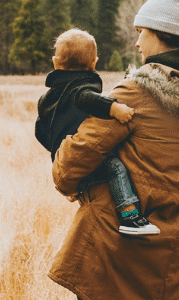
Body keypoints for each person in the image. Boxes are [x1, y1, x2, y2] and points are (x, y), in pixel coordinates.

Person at [49, 0, 179, 300]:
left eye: (141, 31)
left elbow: (72, 163)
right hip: (173, 255)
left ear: (159, 33)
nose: (136, 42)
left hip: (115, 253)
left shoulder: (136, 92)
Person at [35, 28, 160, 236]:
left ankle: (80, 186)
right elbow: (85, 98)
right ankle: (129, 215)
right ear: (94, 63)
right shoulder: (80, 87)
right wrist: (114, 108)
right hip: (81, 153)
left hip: (62, 155)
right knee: (115, 167)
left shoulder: (48, 98)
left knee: (94, 179)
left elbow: (40, 130)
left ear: (55, 62)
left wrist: (56, 146)